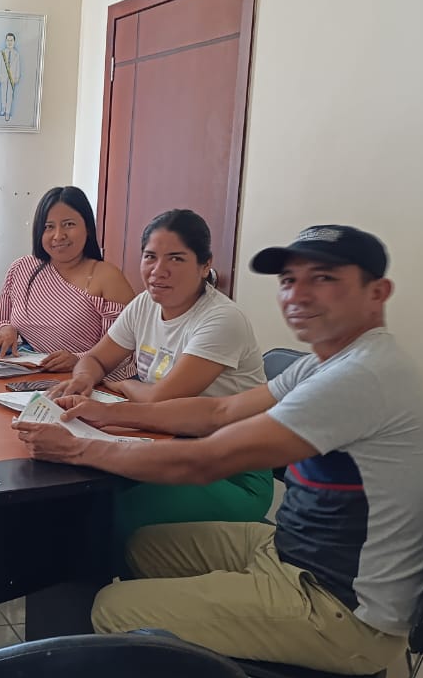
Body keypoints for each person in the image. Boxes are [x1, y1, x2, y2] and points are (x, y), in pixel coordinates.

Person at [14, 225, 423, 678]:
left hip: (341, 610)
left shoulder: (361, 377)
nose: (299, 294)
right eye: (290, 280)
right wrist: (101, 413)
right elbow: (219, 411)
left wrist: (78, 449)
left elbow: (207, 459)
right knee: (142, 543)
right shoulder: (330, 362)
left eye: (324, 278)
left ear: (378, 292)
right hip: (292, 555)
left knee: (112, 606)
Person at [51, 209, 272, 543]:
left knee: (105, 510)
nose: (158, 271)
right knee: (75, 494)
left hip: (231, 472)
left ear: (205, 265)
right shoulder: (145, 304)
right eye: (150, 257)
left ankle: (114, 576)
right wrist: (84, 379)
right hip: (166, 445)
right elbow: (95, 358)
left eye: (176, 259)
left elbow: (160, 399)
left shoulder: (221, 319)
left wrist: (125, 385)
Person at [0, 186, 135, 382]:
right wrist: (6, 329)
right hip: (26, 379)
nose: (58, 235)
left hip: (89, 383)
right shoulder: (22, 268)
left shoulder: (108, 277)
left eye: (69, 224)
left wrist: (79, 360)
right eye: (49, 227)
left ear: (88, 228)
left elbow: (124, 349)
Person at [0, 32, 21, 121]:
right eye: (8, 40)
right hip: (3, 76)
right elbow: (0, 64)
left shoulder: (16, 54)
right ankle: (3, 108)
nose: (9, 42)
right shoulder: (2, 53)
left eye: (11, 40)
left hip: (12, 77)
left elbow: (18, 66)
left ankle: (7, 112)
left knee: (10, 94)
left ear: (14, 41)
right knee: (3, 93)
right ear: (5, 41)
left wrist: (17, 76)